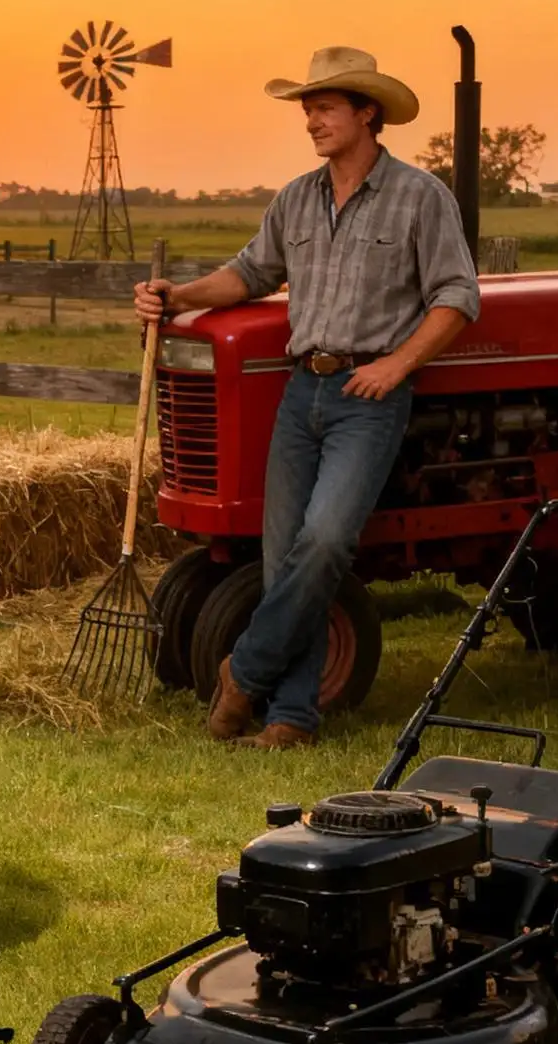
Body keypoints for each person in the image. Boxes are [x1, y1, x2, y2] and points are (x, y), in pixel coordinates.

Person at [135, 46, 479, 748]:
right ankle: (293, 716)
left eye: (324, 108)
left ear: (367, 113)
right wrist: (178, 297)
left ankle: (244, 672)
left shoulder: (420, 196)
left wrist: (396, 364)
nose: (311, 121)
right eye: (307, 110)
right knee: (285, 553)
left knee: (324, 542)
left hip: (367, 396)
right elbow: (250, 273)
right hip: (302, 392)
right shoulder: (296, 197)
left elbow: (457, 296)